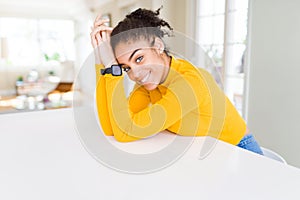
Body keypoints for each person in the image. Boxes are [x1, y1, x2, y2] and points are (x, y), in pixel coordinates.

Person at [90, 7, 263, 155]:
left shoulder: (191, 82)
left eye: (139, 58)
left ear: (158, 46)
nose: (134, 73)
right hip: (209, 155)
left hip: (238, 151)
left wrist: (112, 67)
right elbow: (113, 129)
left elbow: (126, 132)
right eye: (125, 68)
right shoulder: (150, 84)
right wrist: (102, 62)